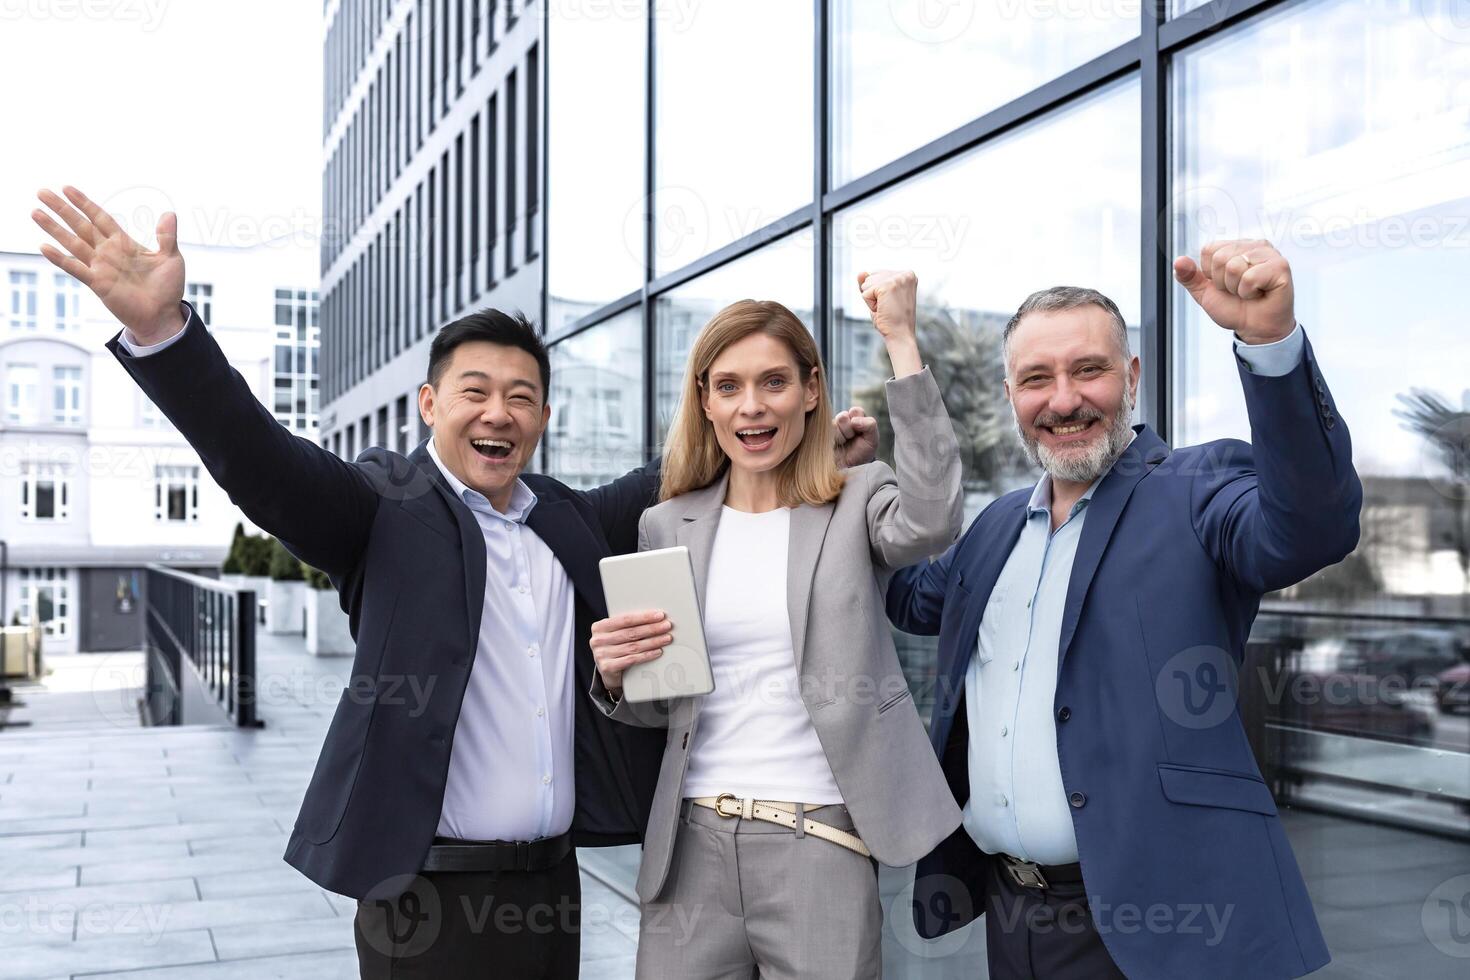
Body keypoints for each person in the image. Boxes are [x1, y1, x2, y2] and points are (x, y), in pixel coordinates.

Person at [29, 186, 877, 979]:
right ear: (431, 405)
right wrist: (170, 339)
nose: (498, 413)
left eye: (521, 397)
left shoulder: (569, 518)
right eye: (475, 392)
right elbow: (263, 464)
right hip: (421, 898)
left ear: (544, 418)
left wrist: (814, 438)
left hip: (552, 892)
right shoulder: (382, 506)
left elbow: (697, 462)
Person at [887, 240, 1361, 979]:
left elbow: (1311, 526)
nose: (1064, 399)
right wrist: (847, 485)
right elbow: (908, 596)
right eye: (1036, 378)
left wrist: (1269, 343)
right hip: (1013, 913)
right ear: (1011, 394)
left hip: (1164, 924)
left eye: (1089, 370)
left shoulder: (1199, 488)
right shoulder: (993, 529)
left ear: (1132, 377)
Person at [588, 272, 964, 979]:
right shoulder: (667, 523)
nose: (751, 407)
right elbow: (662, 701)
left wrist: (901, 343)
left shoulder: (857, 499)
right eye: (727, 386)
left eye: (774, 382)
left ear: (812, 390)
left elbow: (935, 515)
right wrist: (617, 676)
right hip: (689, 852)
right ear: (705, 401)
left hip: (818, 839)